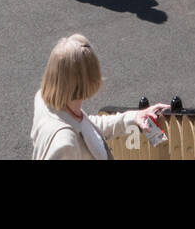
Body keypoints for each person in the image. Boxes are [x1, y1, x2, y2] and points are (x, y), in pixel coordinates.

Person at [31, 34, 170, 160]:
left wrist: (133, 117)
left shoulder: (45, 101)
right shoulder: (66, 144)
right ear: (89, 78)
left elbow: (87, 128)